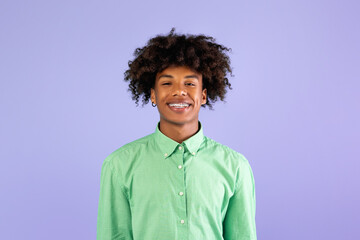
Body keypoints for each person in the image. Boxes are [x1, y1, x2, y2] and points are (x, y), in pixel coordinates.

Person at [97, 28, 257, 240]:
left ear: (203, 95)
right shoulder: (119, 165)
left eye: (190, 84)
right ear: (153, 95)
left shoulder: (236, 167)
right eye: (167, 83)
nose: (179, 91)